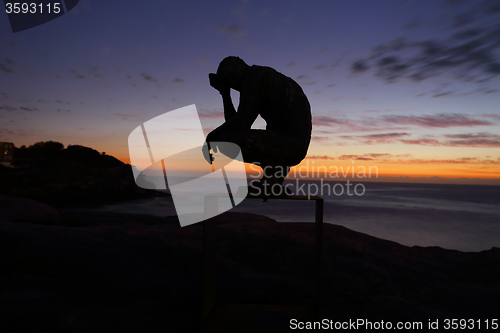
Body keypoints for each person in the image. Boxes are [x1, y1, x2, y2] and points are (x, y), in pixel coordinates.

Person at [204, 56, 312, 195]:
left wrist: (211, 137)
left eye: (230, 82)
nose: (233, 86)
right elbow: (236, 124)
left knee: (225, 141)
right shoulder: (258, 75)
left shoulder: (254, 77)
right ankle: (272, 179)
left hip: (289, 146)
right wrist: (225, 94)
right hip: (289, 144)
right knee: (227, 138)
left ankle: (274, 171)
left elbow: (242, 122)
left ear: (235, 75)